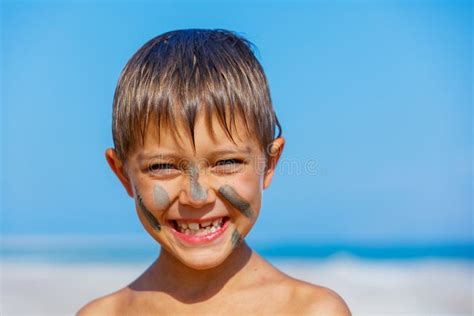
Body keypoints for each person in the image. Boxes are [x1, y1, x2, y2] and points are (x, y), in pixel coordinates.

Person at [77, 28, 351, 315]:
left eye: (226, 163)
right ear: (122, 174)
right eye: (162, 166)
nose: (196, 197)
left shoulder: (311, 310)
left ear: (269, 164)